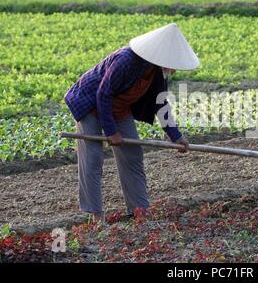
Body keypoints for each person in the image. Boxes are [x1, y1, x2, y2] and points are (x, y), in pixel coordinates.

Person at [64, 23, 200, 223]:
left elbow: (161, 104)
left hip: (119, 108)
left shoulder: (156, 73)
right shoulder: (126, 61)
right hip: (90, 103)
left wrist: (177, 137)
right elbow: (103, 94)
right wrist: (111, 132)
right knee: (92, 158)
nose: (173, 70)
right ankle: (96, 216)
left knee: (133, 155)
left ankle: (139, 211)